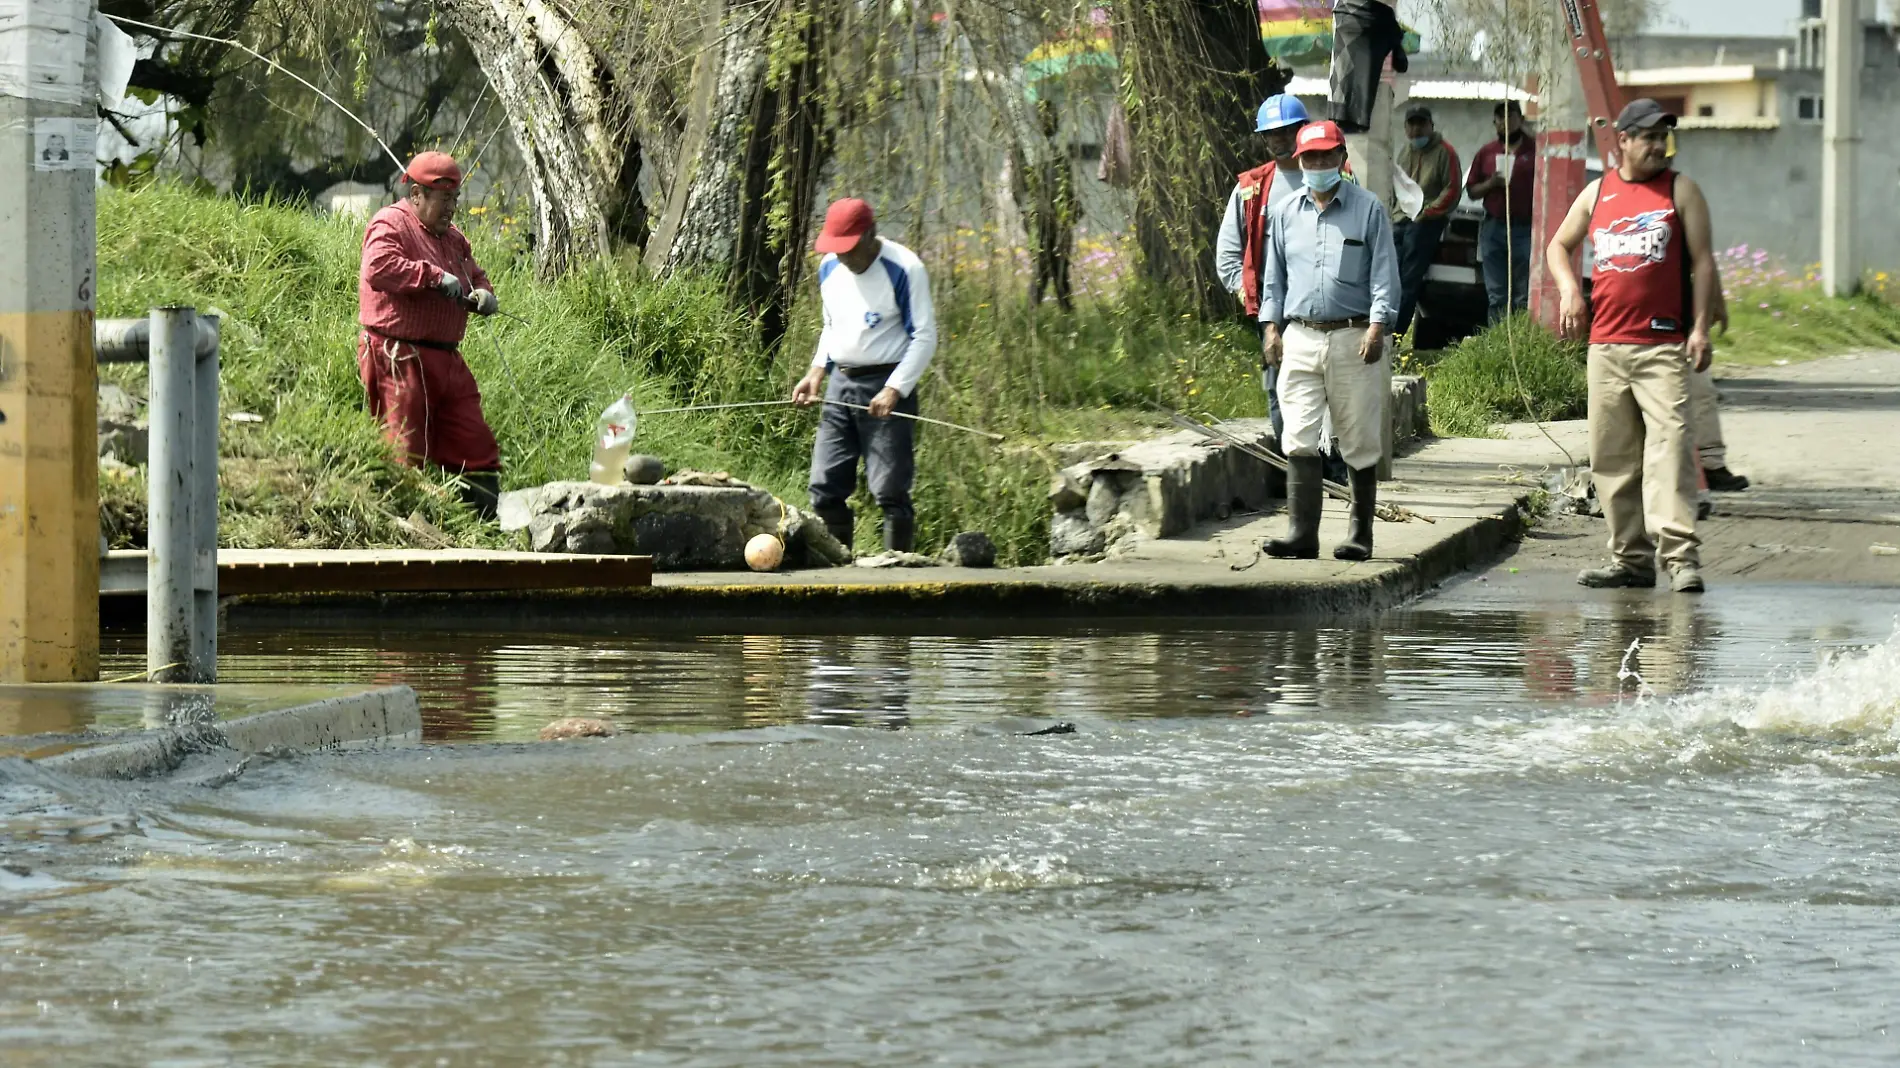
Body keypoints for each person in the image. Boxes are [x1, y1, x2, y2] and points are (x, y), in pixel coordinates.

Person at [1545, 98, 1716, 594]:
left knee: (1670, 450)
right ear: (1622, 140)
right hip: (1606, 347)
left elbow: (1703, 262)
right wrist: (1572, 291)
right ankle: (1631, 560)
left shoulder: (1681, 191)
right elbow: (1559, 245)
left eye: (1663, 137)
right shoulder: (1598, 193)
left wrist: (1700, 327)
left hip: (1662, 346)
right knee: (1612, 457)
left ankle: (1680, 557)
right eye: (1648, 137)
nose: (1659, 146)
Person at [1258, 120, 1401, 562]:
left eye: (1326, 156)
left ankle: (1361, 535)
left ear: (1342, 159)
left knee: (1358, 437)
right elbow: (1274, 278)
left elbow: (1384, 274)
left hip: (1354, 337)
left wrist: (1378, 325)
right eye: (1310, 158)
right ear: (1299, 162)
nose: (1319, 164)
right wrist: (1270, 326)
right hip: (1300, 335)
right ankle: (1301, 533)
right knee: (1298, 435)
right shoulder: (1284, 213)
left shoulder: (1368, 209)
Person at [356, 150, 504, 520]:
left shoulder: (453, 239)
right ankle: (404, 531)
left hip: (447, 360)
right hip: (399, 356)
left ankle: (477, 531)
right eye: (444, 199)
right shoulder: (390, 223)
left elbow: (473, 274)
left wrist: (482, 294)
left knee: (475, 444)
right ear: (417, 194)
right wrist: (433, 277)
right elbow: (379, 268)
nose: (452, 207)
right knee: (404, 452)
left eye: (455, 198)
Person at [791, 198, 938, 555]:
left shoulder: (904, 267)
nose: (843, 257)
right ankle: (836, 565)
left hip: (886, 383)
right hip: (841, 384)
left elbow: (924, 335)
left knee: (889, 489)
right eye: (836, 249)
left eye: (849, 249)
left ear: (870, 235)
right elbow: (831, 326)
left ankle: (897, 569)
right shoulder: (829, 267)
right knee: (824, 485)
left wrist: (895, 389)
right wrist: (816, 372)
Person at [1216, 93, 1313, 441]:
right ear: (1263, 138)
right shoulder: (1250, 188)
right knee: (1279, 385)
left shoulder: (1334, 178)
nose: (1280, 139)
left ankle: (1329, 466)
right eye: (1272, 133)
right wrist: (1248, 293)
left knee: (1326, 387)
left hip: (1324, 304)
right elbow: (1228, 253)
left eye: (1288, 130)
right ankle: (1293, 466)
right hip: (1274, 308)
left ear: (1304, 130)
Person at [1392, 104, 1461, 338]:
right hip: (1400, 218)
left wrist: (1428, 211)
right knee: (1389, 275)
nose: (1416, 129)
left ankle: (1395, 335)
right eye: (1411, 124)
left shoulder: (1445, 152)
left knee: (1407, 280)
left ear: (1431, 126)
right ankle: (1385, 330)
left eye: (1421, 124)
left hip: (1426, 221)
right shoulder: (1404, 151)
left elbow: (1452, 190)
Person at [1465, 100, 1536, 323]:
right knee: (1497, 294)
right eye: (1500, 118)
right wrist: (1491, 184)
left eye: (1511, 116)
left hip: (1524, 228)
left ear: (1521, 120)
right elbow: (1472, 191)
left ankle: (1521, 340)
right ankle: (1497, 343)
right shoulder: (1487, 153)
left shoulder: (1535, 151)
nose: (1505, 122)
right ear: (1494, 123)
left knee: (1523, 294)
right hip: (1494, 227)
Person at [1018, 100, 1077, 311]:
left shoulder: (1057, 154)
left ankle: (1067, 320)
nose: (1052, 123)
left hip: (1055, 219)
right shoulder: (1030, 153)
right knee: (1044, 270)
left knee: (1058, 272)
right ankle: (1034, 320)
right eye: (1048, 118)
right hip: (1041, 219)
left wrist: (1066, 217)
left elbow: (1067, 191)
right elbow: (1022, 191)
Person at [1328, 0, 1408, 133]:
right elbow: (1401, 65)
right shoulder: (1386, 22)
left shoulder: (1341, 16)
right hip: (1366, 112)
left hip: (1338, 108)